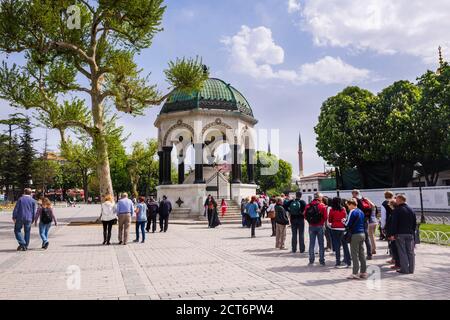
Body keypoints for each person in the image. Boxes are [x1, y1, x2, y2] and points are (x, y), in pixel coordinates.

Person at [390, 194, 416, 274]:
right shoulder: (411, 210)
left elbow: (394, 223)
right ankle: (411, 269)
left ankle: (404, 269)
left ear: (400, 200)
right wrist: (412, 232)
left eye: (396, 199)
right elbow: (414, 223)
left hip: (400, 234)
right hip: (410, 233)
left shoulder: (397, 210)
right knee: (410, 252)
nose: (396, 200)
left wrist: (392, 234)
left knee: (402, 251)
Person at [345, 198, 367, 280]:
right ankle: (363, 272)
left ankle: (355, 273)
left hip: (355, 234)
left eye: (348, 205)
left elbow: (348, 224)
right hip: (362, 233)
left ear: (351, 204)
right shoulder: (361, 211)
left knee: (354, 254)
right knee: (362, 253)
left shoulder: (352, 211)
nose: (347, 207)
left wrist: (343, 221)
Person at [305, 192, 328, 266]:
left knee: (311, 243)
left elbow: (305, 216)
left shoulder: (308, 205)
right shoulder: (322, 206)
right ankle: (321, 261)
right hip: (320, 226)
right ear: (320, 198)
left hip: (311, 226)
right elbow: (325, 217)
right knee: (321, 244)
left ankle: (311, 260)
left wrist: (310, 221)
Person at [328, 197, 351, 267]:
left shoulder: (332, 209)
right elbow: (345, 218)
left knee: (337, 245)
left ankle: (338, 262)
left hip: (334, 228)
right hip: (342, 228)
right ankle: (348, 261)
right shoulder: (343, 209)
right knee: (345, 245)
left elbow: (330, 220)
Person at [352, 189, 374, 260]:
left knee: (357, 237)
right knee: (366, 238)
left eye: (352, 194)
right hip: (365, 219)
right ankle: (369, 254)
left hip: (358, 220)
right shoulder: (364, 199)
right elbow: (373, 206)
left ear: (355, 194)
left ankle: (358, 255)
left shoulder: (355, 200)